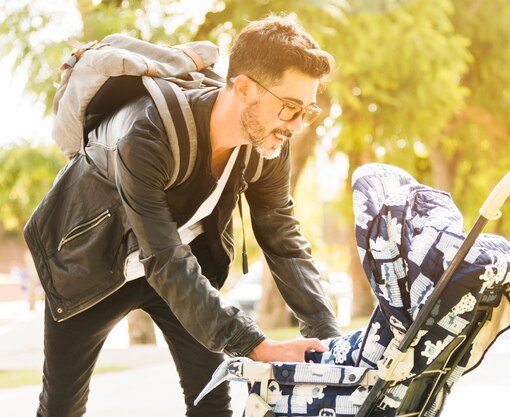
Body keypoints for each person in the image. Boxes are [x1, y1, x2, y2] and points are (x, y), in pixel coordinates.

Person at [28, 16, 341, 417]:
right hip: (88, 263)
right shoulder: (148, 134)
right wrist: (257, 346)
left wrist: (330, 343)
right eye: (290, 108)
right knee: (61, 409)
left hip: (178, 272)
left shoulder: (268, 146)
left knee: (211, 400)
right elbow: (161, 256)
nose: (297, 125)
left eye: (307, 111)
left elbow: (283, 239)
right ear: (244, 88)